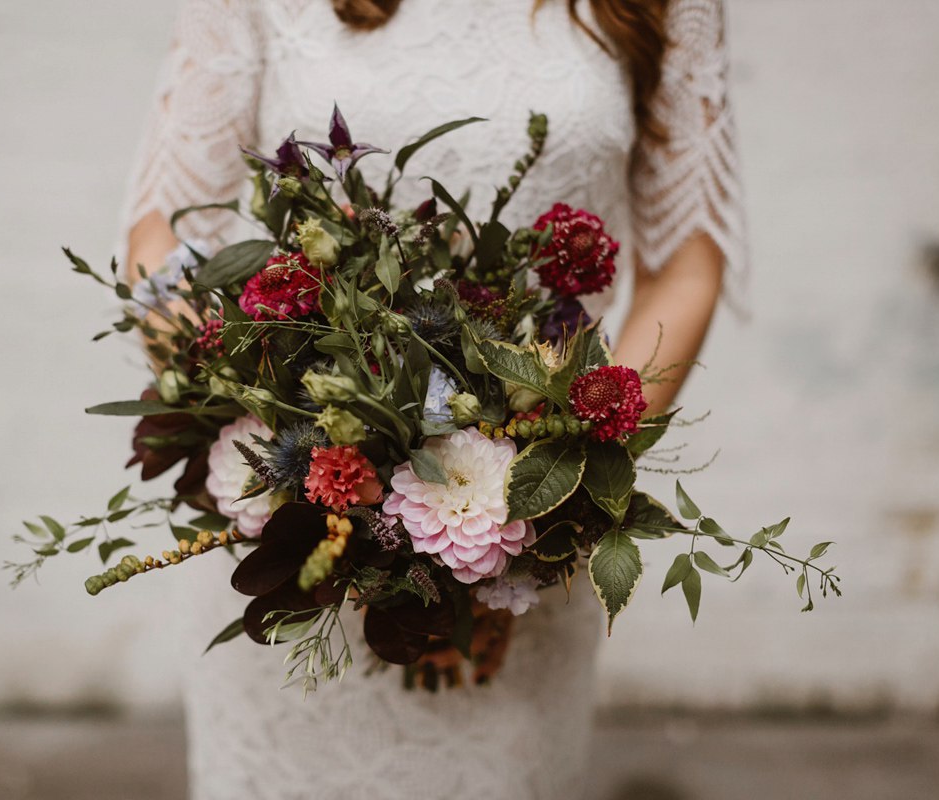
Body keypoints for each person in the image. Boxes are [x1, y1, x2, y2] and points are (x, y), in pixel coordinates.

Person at [120, 1, 746, 797]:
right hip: (298, 553)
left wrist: (544, 507)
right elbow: (160, 245)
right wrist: (304, 471)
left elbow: (684, 265)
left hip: (522, 550)